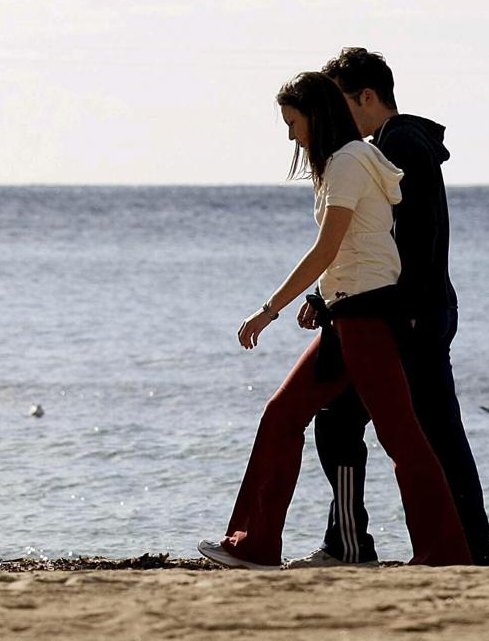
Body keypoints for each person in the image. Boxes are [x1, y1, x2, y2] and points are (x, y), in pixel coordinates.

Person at [197, 71, 471, 570]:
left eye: (293, 122)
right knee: (283, 416)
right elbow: (351, 249)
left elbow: (327, 247)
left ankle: (446, 552)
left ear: (316, 116)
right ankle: (254, 544)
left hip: (367, 317)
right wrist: (322, 301)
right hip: (348, 315)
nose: (290, 135)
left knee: (402, 437)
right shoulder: (347, 162)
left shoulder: (348, 162)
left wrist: (270, 308)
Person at [284, 48, 489, 568]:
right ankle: (447, 550)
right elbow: (374, 242)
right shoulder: (391, 144)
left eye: (339, 103)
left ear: (367, 97)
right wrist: (325, 298)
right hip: (403, 309)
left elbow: (408, 239)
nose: (331, 118)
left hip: (405, 315)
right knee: (377, 426)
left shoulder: (396, 144)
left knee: (422, 433)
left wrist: (404, 313)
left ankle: (452, 552)